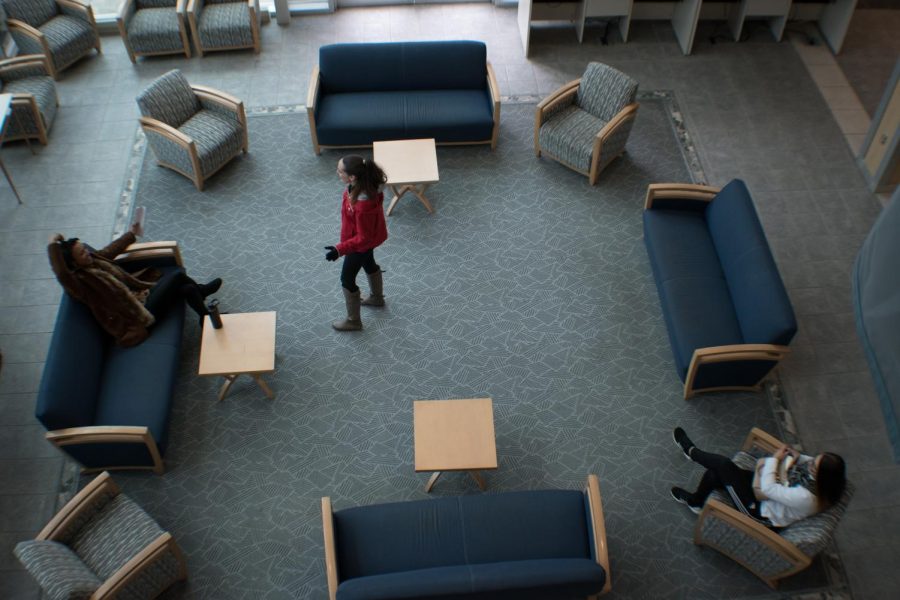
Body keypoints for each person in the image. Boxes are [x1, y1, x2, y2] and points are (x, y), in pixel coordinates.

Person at [48, 221, 222, 347]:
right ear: (74, 264)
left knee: (187, 288)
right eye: (82, 253)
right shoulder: (79, 285)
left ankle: (205, 317)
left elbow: (110, 250)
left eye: (85, 248)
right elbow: (61, 272)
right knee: (177, 276)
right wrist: (52, 243)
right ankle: (203, 291)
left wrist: (131, 233)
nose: (87, 252)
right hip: (137, 318)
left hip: (141, 298)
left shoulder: (93, 260)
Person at [669, 427, 846, 528]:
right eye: (814, 459)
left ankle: (691, 452)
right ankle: (696, 503)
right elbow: (805, 462)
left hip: (758, 509)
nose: (810, 463)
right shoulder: (830, 482)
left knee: (723, 465)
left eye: (814, 465)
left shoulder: (807, 498)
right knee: (715, 473)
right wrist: (797, 456)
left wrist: (775, 460)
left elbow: (769, 489)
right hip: (772, 490)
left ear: (822, 477)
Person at [324, 155, 389, 331]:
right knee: (369, 262)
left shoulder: (363, 206)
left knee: (347, 279)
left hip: (359, 245)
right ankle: (376, 298)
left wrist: (339, 249)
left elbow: (364, 238)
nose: (337, 173)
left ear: (352, 177)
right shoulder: (360, 186)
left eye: (339, 171)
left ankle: (354, 321)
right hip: (363, 240)